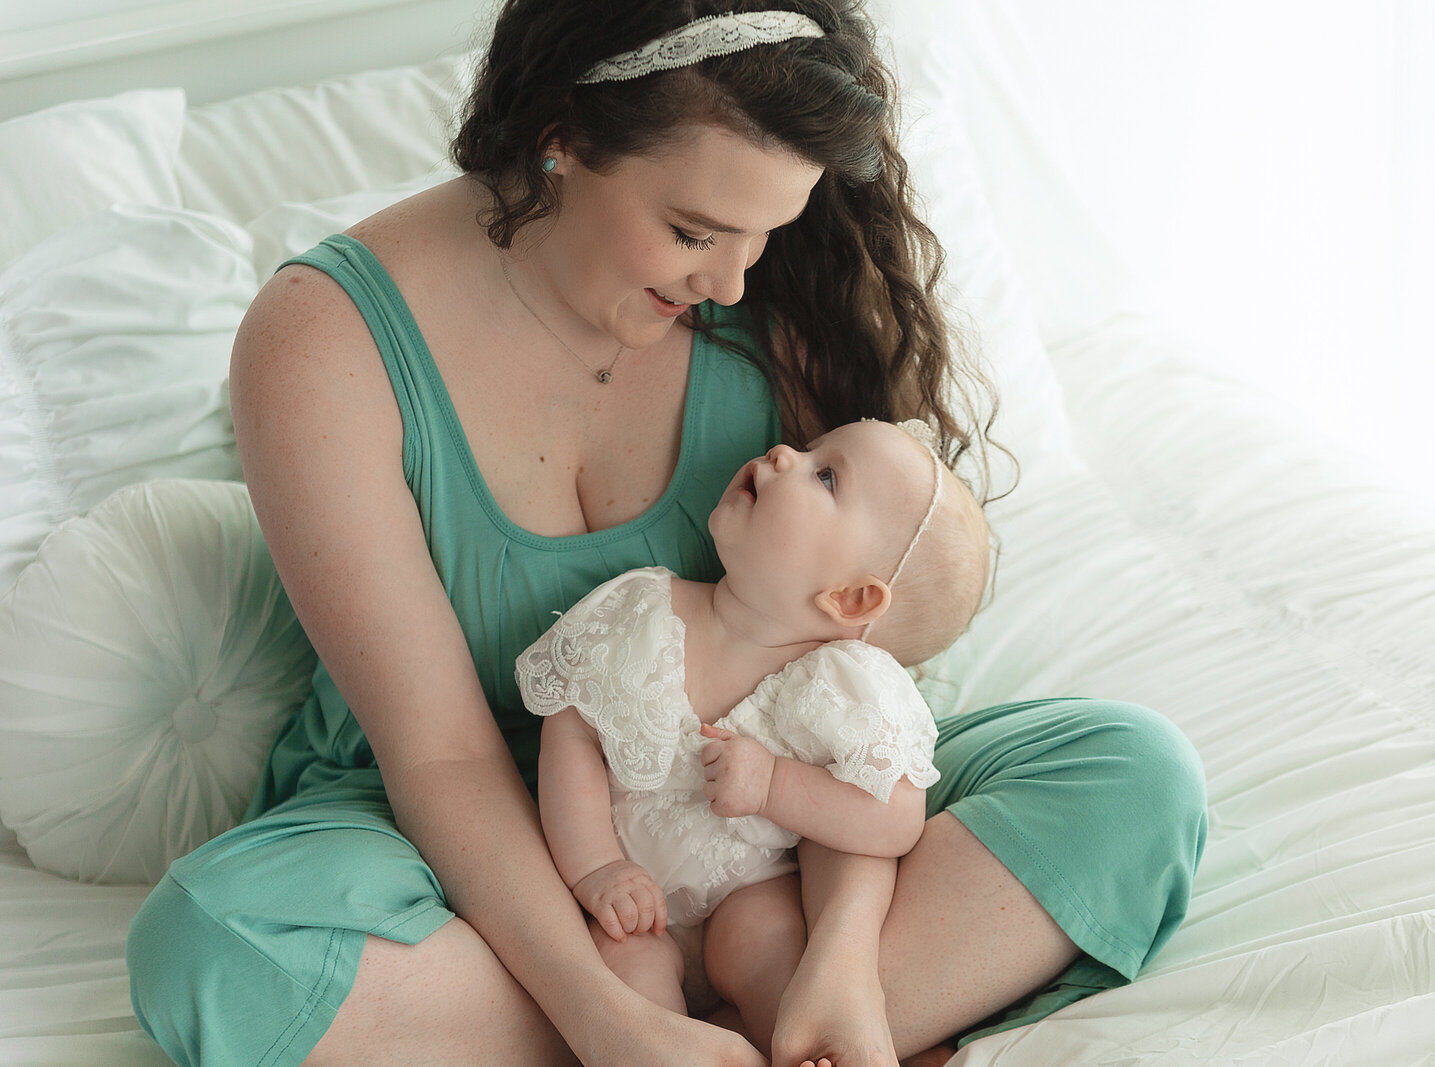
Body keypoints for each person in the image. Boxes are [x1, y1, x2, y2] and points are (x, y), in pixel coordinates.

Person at [124, 3, 1207, 1066]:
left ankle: (803, 1011)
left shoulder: (777, 298)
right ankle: (713, 1033)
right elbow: (443, 754)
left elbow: (848, 708)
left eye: (763, 234)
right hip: (445, 819)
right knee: (216, 948)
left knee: (1132, 777)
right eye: (693, 232)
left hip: (763, 831)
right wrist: (602, 1012)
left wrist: (836, 952)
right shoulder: (324, 341)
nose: (729, 280)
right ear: (560, 138)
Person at [525, 418, 987, 1061]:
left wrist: (774, 783)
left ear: (851, 599)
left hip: (751, 888)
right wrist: (598, 868)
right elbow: (569, 737)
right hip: (628, 894)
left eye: (825, 474)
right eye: (808, 448)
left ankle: (806, 1051)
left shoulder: (839, 682)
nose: (782, 453)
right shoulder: (641, 610)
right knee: (630, 978)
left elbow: (892, 819)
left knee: (775, 960)